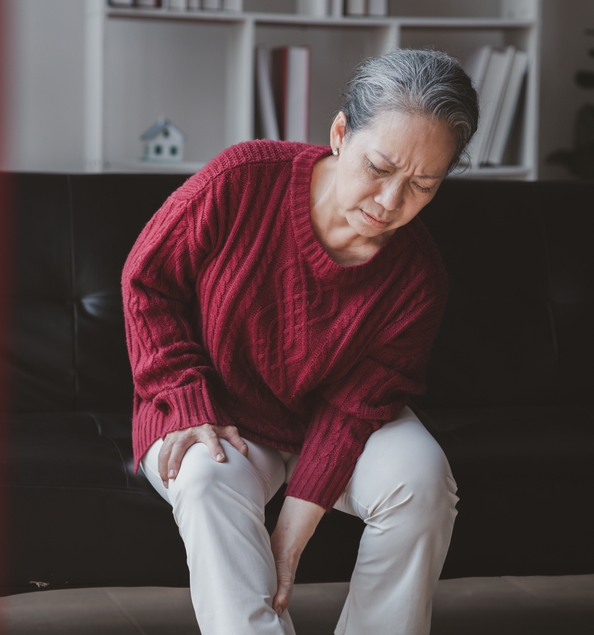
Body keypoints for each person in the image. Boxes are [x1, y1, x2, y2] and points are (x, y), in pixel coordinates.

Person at [121, 48, 479, 635]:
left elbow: (356, 407)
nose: (390, 203)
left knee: (422, 479)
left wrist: (291, 530)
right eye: (380, 168)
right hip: (221, 408)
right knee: (205, 475)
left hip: (335, 421)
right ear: (341, 133)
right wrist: (186, 400)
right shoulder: (242, 179)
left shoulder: (418, 277)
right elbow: (147, 283)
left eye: (422, 185)